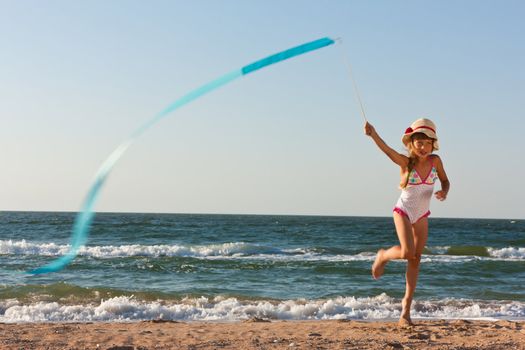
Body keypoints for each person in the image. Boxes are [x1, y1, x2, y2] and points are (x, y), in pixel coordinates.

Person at [364, 118, 450, 326]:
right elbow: (387, 151)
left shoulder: (435, 161)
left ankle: (406, 310)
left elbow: (446, 180)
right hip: (402, 211)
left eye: (427, 143)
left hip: (422, 215)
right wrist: (373, 134)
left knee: (416, 259)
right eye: (419, 143)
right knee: (406, 253)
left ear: (433, 145)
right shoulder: (406, 163)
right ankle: (383, 255)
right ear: (412, 145)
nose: (423, 147)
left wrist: (444, 191)